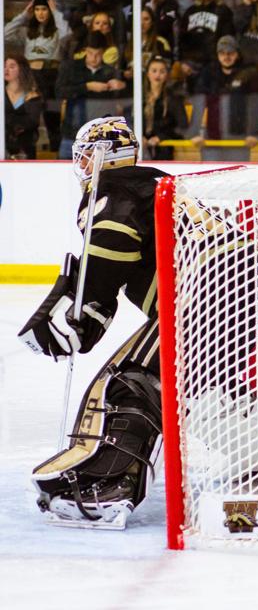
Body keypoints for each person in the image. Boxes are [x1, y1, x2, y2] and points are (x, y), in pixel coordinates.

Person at [17, 117, 168, 528]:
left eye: (85, 155)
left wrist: (79, 315)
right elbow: (117, 275)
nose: (81, 165)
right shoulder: (156, 183)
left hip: (205, 304)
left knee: (132, 383)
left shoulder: (113, 192)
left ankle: (107, 489)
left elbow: (104, 270)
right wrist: (89, 314)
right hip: (242, 300)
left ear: (104, 156)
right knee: (202, 385)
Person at [4, 0, 70, 151]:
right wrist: (24, 16)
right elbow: (5, 34)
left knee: (52, 120)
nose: (40, 13)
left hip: (51, 76)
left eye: (44, 9)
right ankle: (23, 151)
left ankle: (56, 153)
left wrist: (55, 12)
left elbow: (67, 35)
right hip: (30, 76)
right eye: (37, 9)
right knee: (27, 116)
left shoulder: (56, 32)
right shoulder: (27, 32)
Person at [186, 35, 258, 161]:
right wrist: (194, 133)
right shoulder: (208, 73)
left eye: (230, 53)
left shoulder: (249, 74)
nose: (226, 57)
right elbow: (199, 103)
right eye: (222, 53)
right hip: (212, 139)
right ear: (217, 55)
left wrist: (254, 133)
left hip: (239, 139)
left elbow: (257, 104)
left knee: (238, 176)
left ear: (237, 54)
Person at [55, 31, 127, 159]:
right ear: (84, 51)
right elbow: (59, 92)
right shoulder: (71, 68)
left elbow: (122, 102)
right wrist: (87, 87)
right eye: (90, 53)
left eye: (98, 54)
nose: (94, 58)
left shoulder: (111, 72)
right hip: (72, 133)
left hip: (101, 137)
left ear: (104, 52)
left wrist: (122, 86)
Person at [178, 0, 235, 92]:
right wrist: (182, 61)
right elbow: (182, 39)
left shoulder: (224, 11)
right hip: (191, 62)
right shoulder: (190, 11)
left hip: (213, 62)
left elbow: (227, 38)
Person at [142, 56, 187, 159]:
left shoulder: (174, 99)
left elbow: (182, 127)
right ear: (148, 74)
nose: (157, 75)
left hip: (165, 151)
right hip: (142, 151)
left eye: (162, 71)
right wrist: (139, 136)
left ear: (167, 75)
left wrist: (161, 137)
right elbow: (131, 121)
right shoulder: (140, 98)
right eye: (154, 71)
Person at [4, 55, 44, 159]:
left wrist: (7, 119)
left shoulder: (31, 94)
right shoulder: (2, 93)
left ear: (22, 69)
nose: (6, 70)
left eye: (12, 67)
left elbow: (31, 122)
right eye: (4, 66)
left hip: (25, 148)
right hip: (3, 146)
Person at [122, 6, 172, 80]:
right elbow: (121, 69)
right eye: (138, 19)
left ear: (152, 22)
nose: (142, 23)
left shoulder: (160, 42)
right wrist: (125, 73)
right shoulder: (128, 44)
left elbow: (166, 68)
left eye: (146, 19)